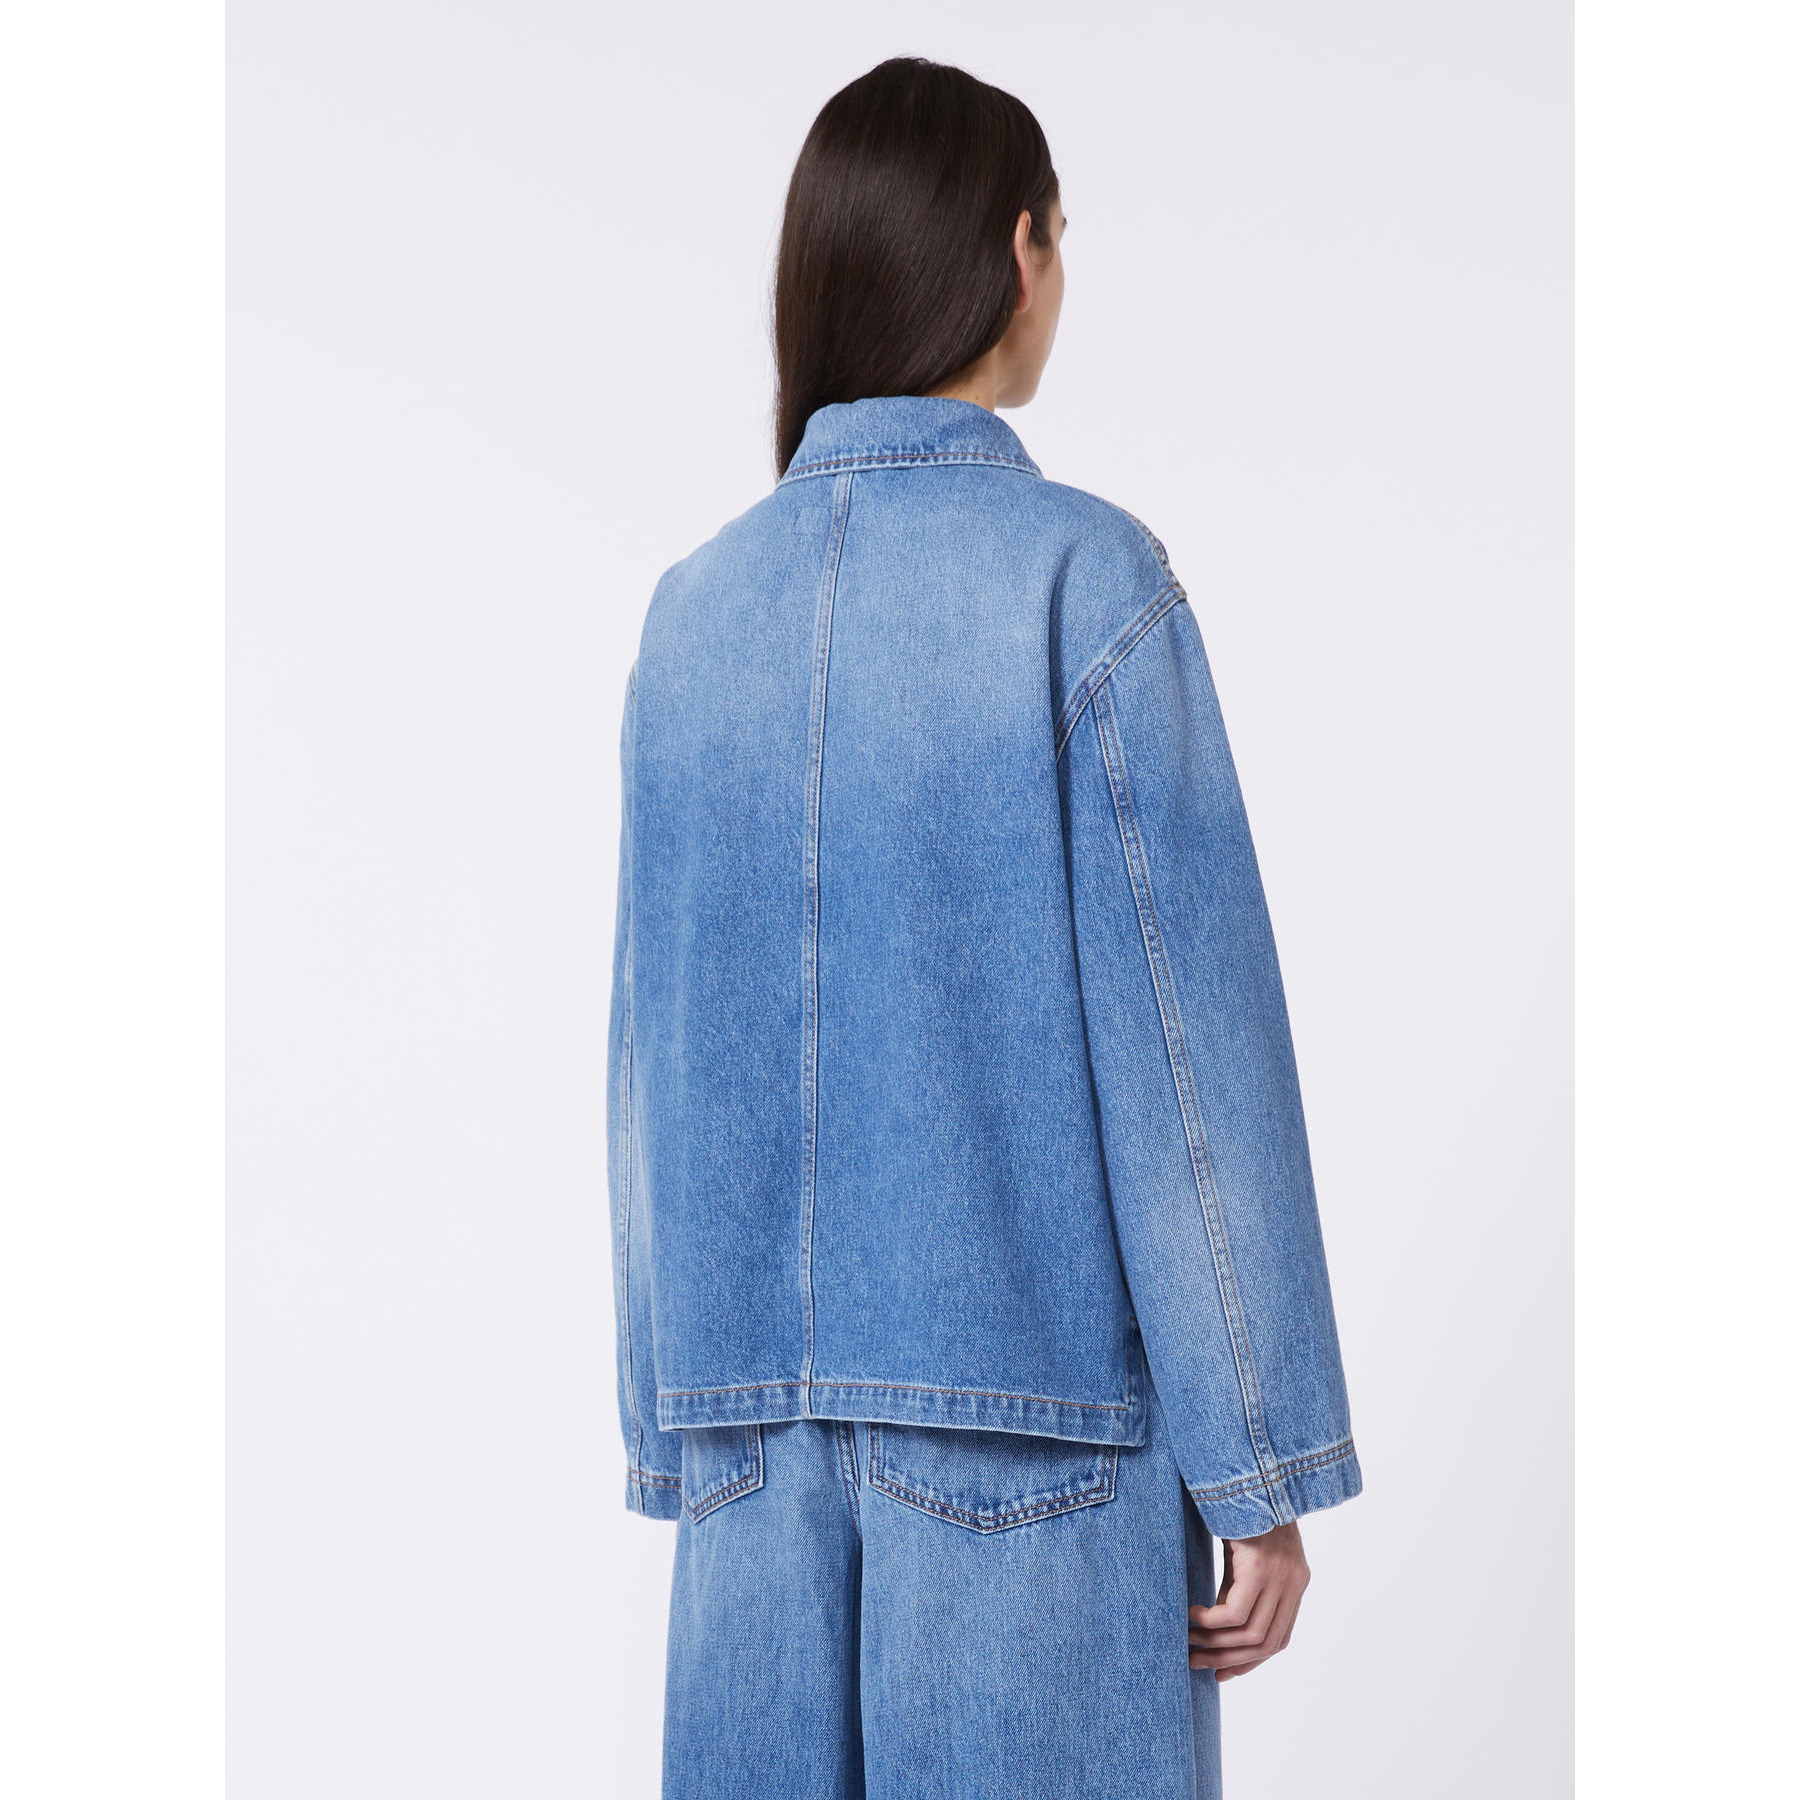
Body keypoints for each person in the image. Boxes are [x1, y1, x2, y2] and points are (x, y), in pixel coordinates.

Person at [609, 56, 1361, 1800]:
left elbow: (646, 1061)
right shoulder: (1082, 581)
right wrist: (1258, 1463)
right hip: (1039, 1467)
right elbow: (1188, 1054)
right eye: (1061, 237)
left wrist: (674, 1424)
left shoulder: (690, 618)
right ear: (1018, 252)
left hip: (747, 1473)